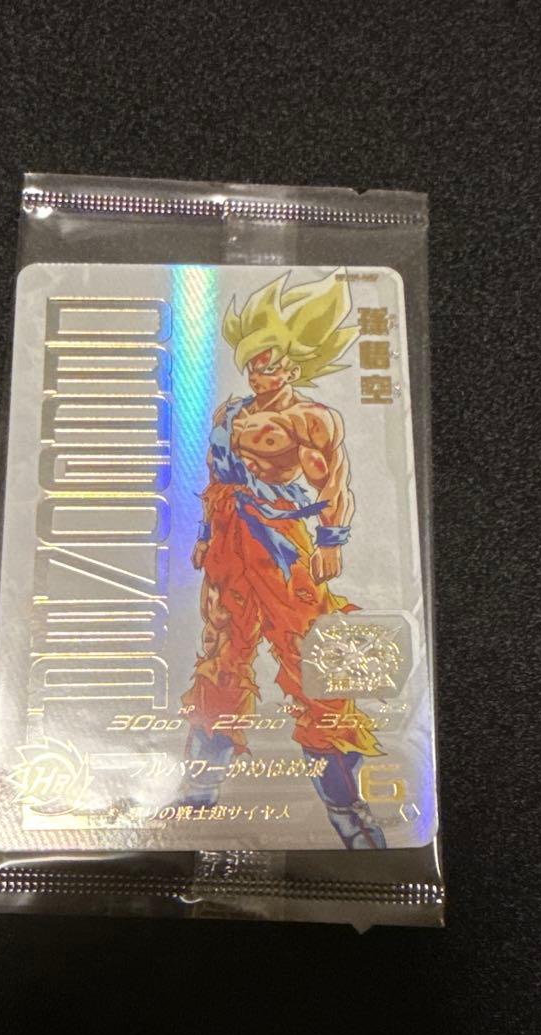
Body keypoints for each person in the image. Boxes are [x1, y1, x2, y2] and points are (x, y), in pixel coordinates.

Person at [179, 269, 387, 849]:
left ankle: (347, 809)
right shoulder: (228, 414)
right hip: (229, 543)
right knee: (222, 656)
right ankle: (198, 791)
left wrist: (332, 541)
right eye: (252, 362)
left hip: (283, 545)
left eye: (269, 363)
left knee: (309, 660)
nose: (258, 372)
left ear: (292, 368)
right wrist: (205, 534)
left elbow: (334, 483)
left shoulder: (311, 419)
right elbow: (217, 480)